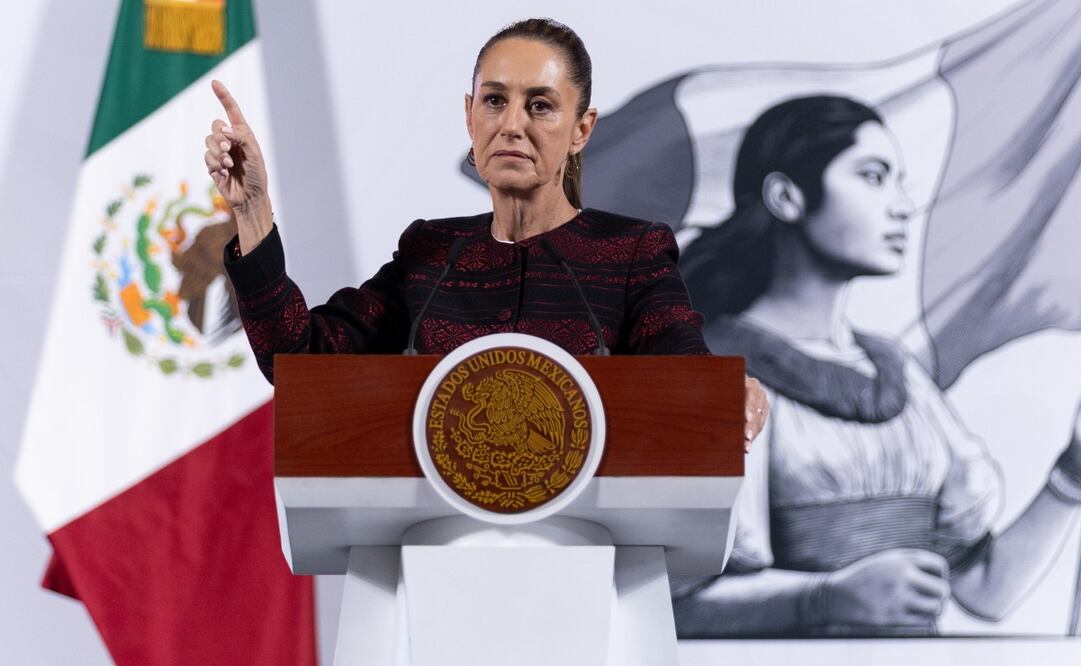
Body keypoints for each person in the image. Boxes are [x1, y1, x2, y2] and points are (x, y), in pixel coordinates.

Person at [203, 18, 768, 444]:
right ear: (470, 115)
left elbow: (682, 366)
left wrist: (723, 392)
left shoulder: (631, 253)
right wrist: (253, 212)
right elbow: (298, 360)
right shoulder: (430, 253)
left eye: (540, 105)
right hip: (436, 570)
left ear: (581, 130)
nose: (511, 124)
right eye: (495, 100)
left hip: (587, 571)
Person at [673, 95, 1081, 637]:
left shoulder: (900, 372)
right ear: (786, 196)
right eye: (873, 176)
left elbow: (985, 592)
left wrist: (1072, 473)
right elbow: (672, 605)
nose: (901, 205)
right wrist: (824, 598)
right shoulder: (710, 368)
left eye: (899, 181)